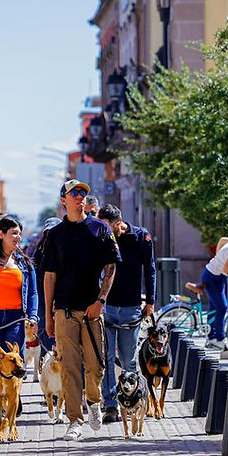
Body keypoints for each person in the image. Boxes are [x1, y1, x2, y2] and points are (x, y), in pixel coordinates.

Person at [43, 179, 121, 441]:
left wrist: (101, 301)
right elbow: (49, 276)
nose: (79, 197)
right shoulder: (55, 235)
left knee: (95, 364)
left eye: (83, 193)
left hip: (92, 310)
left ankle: (95, 401)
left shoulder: (100, 228)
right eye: (73, 193)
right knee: (69, 367)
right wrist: (47, 315)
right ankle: (75, 420)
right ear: (63, 200)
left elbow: (111, 268)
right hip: (64, 310)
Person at [96, 203, 156, 424]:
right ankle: (111, 405)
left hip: (131, 307)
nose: (103, 231)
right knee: (107, 359)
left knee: (129, 361)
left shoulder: (141, 237)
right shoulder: (102, 238)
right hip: (108, 307)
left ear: (118, 224)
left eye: (106, 227)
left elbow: (150, 269)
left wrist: (150, 301)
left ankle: (136, 400)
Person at [0, 216, 39, 390]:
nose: (18, 238)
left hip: (16, 318)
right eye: (14, 233)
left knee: (16, 362)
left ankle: (13, 400)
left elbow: (33, 293)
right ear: (1, 234)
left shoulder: (25, 263)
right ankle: (0, 408)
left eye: (19, 234)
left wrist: (33, 316)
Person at [32, 217, 61, 355]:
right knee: (44, 328)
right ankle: (46, 361)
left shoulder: (67, 250)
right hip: (43, 298)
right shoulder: (40, 252)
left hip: (62, 298)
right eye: (48, 233)